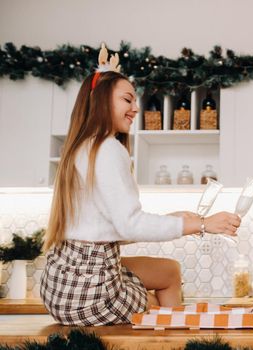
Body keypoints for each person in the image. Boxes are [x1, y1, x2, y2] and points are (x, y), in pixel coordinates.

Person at [40, 46, 241, 326]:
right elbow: (130, 225)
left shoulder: (80, 149)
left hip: (60, 287)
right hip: (90, 293)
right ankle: (173, 342)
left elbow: (104, 230)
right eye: (127, 99)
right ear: (100, 100)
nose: (136, 108)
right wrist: (204, 224)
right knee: (156, 306)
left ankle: (172, 333)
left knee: (169, 271)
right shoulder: (107, 149)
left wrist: (174, 220)